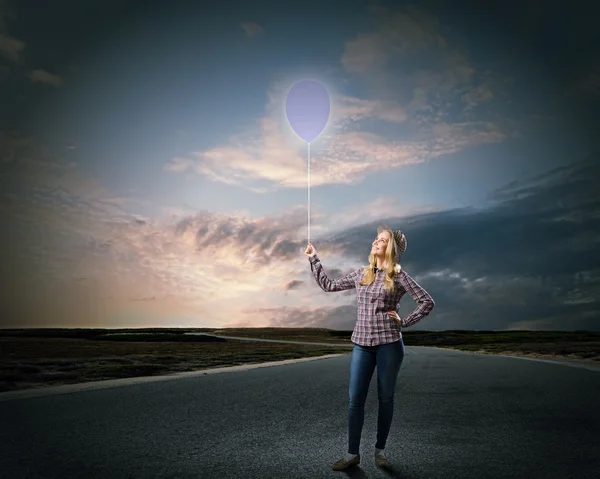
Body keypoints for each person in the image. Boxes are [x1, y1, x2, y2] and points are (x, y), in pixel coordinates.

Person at [304, 224, 435, 470]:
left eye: (382, 240)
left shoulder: (399, 276)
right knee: (355, 400)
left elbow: (427, 302)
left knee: (386, 398)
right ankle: (352, 454)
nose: (375, 242)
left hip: (390, 346)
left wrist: (404, 322)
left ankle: (380, 451)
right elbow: (328, 285)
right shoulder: (361, 274)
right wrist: (314, 258)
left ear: (391, 248)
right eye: (376, 238)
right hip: (361, 346)